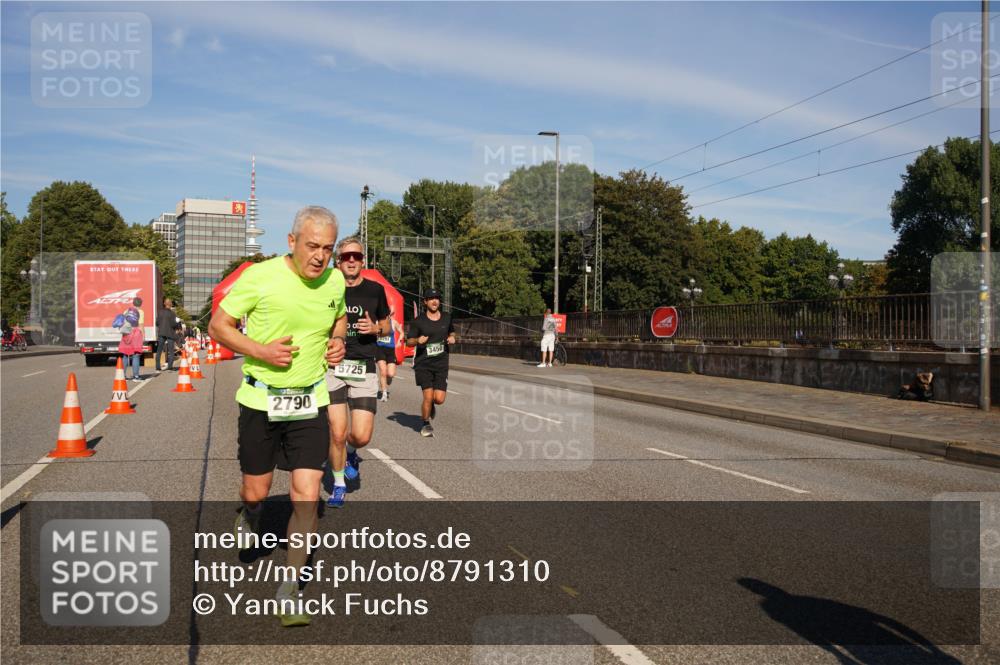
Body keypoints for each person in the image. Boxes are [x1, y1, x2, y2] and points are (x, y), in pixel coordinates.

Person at [208, 205, 347, 627]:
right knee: (257, 489)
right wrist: (261, 351)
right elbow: (219, 326)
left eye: (328, 248)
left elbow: (338, 318)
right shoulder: (260, 277)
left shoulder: (336, 279)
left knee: (306, 494)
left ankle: (289, 591)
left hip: (310, 400)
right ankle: (246, 514)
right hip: (261, 400)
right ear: (291, 242)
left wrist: (337, 342)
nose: (320, 257)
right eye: (312, 246)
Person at [325, 237, 390, 508]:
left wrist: (375, 329)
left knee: (361, 436)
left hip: (364, 367)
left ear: (363, 261)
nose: (352, 261)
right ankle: (338, 485)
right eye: (346, 257)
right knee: (337, 432)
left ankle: (351, 453)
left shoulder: (375, 290)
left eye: (357, 257)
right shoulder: (326, 288)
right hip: (333, 368)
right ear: (337, 261)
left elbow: (388, 328)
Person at [405, 288, 456, 438]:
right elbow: (409, 342)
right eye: (431, 298)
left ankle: (431, 405)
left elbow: (451, 332)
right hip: (423, 364)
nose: (435, 301)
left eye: (437, 298)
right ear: (425, 302)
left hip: (441, 363)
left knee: (438, 399)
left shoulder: (447, 317)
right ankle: (425, 423)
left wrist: (452, 337)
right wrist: (417, 340)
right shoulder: (418, 321)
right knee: (427, 396)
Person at [376, 304, 403, 402]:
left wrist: (399, 340)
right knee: (383, 372)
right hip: (380, 349)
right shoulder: (377, 322)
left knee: (390, 374)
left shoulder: (393, 322)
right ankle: (384, 393)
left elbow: (401, 332)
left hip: (390, 350)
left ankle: (388, 379)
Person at [118, 297, 145, 381]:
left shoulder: (126, 311)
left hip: (126, 334)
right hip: (135, 334)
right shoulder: (140, 312)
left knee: (125, 355)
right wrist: (143, 335)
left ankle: (122, 376)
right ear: (140, 304)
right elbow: (140, 325)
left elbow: (123, 323)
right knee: (136, 355)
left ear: (133, 303)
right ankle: (136, 376)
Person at [156, 298, 180, 371]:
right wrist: (177, 324)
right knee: (171, 350)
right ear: (170, 304)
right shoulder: (172, 313)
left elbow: (157, 323)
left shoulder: (160, 312)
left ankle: (157, 366)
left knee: (159, 350)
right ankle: (170, 366)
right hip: (170, 333)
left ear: (164, 304)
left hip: (161, 332)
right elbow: (174, 324)